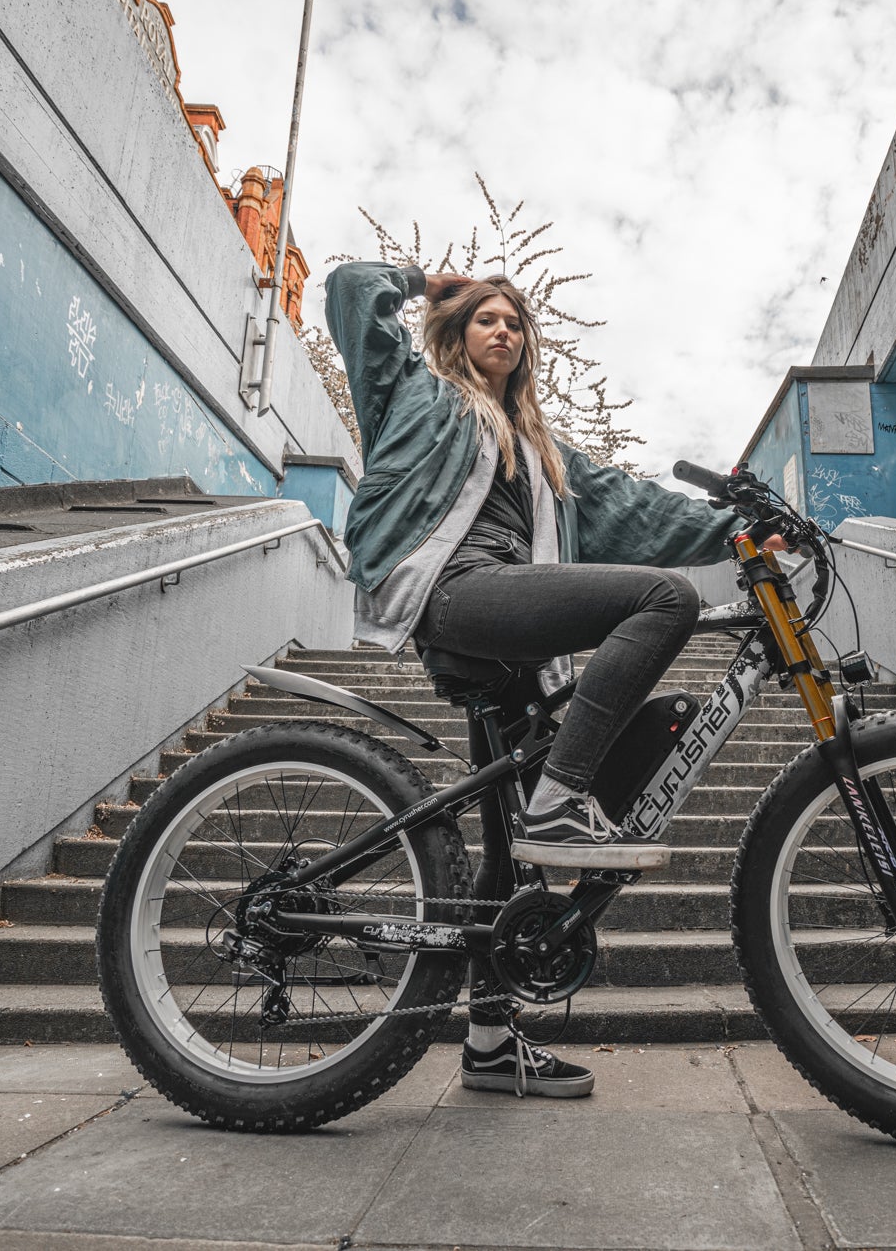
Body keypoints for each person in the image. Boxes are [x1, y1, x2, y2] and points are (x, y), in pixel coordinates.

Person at [323, 261, 782, 1097]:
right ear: (458, 334)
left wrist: (740, 528)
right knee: (663, 600)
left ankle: (492, 1043)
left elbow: (639, 507)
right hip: (455, 593)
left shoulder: (543, 450)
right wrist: (426, 280)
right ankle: (563, 797)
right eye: (486, 319)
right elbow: (354, 290)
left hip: (512, 641)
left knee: (511, 857)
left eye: (515, 322)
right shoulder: (415, 397)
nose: (504, 329)